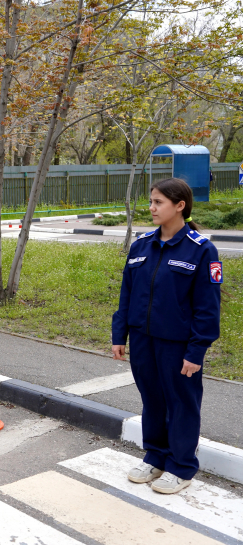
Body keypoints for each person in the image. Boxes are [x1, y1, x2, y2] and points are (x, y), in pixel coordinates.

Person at [112, 177, 221, 495]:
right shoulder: (141, 245)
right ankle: (156, 456)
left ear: (180, 205)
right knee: (153, 401)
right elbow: (126, 295)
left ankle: (181, 466)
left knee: (182, 403)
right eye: (151, 201)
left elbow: (207, 308)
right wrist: (120, 334)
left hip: (178, 345)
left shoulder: (202, 250)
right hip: (143, 341)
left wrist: (196, 350)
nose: (151, 207)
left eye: (158, 202)